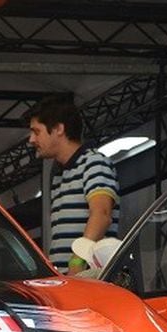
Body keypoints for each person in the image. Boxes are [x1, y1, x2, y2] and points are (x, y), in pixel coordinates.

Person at [25, 97, 120, 275]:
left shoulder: (94, 162)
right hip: (68, 279)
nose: (31, 139)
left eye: (36, 132)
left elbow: (102, 214)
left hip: (86, 278)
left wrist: (77, 261)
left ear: (59, 129)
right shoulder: (60, 174)